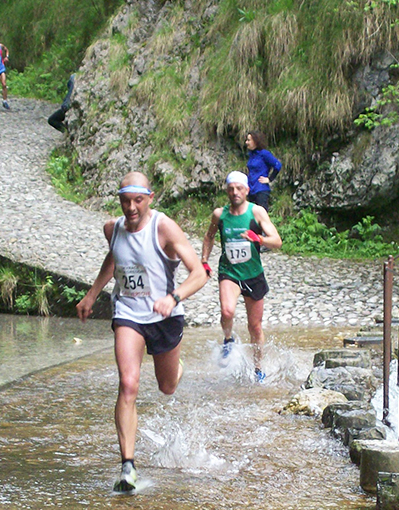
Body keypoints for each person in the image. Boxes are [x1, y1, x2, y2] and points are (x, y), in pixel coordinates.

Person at [76, 172, 207, 493]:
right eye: (125, 200)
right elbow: (116, 258)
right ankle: (128, 467)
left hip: (165, 316)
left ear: (150, 198)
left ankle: (175, 370)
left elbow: (199, 272)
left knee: (166, 387)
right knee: (128, 384)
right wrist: (92, 294)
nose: (131, 207)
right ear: (119, 199)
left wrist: (173, 297)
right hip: (128, 314)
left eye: (138, 200)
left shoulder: (164, 227)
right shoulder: (113, 228)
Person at [201, 171, 282, 382]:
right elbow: (209, 237)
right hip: (229, 272)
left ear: (246, 190)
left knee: (254, 326)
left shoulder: (257, 212)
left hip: (253, 273)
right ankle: (228, 339)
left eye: (239, 188)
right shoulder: (219, 214)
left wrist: (259, 239)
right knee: (227, 310)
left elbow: (277, 241)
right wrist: (204, 261)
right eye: (231, 189)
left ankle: (258, 368)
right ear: (227, 191)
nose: (235, 192)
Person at [245, 131, 282, 212]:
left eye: (248, 140)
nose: (246, 142)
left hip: (261, 190)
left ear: (255, 141)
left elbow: (277, 165)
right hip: (251, 190)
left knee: (261, 216)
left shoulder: (264, 154)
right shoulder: (251, 155)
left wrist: (269, 179)